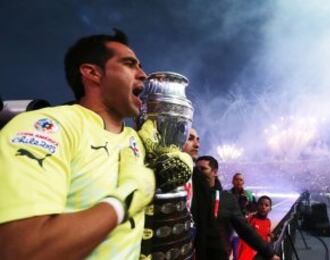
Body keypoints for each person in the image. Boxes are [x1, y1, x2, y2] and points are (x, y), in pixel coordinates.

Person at [0, 29, 192, 259]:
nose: (144, 75)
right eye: (130, 64)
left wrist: (173, 161)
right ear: (92, 73)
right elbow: (23, 250)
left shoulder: (138, 140)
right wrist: (127, 199)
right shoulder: (47, 127)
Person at [191, 155, 279, 260]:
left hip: (225, 247)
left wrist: (268, 253)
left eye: (203, 169)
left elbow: (245, 229)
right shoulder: (189, 197)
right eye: (196, 170)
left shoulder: (228, 198)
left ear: (214, 172)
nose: (198, 173)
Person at [238, 195, 273, 260]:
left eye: (266, 205)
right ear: (257, 206)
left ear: (270, 209)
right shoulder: (250, 219)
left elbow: (267, 234)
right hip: (249, 254)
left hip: (261, 253)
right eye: (261, 204)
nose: (263, 207)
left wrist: (269, 235)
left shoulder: (268, 222)